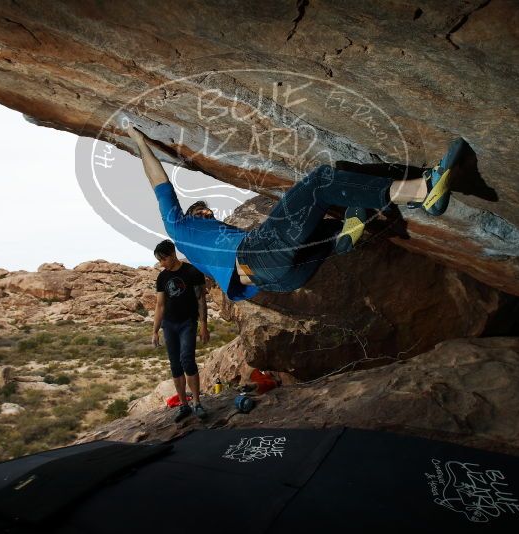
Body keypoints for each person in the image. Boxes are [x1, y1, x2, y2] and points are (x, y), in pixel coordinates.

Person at [127, 124, 467, 299]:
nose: (206, 213)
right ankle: (422, 191)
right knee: (320, 182)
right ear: (188, 213)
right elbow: (160, 183)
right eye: (200, 210)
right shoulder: (179, 227)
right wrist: (139, 142)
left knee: (329, 203)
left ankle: (341, 236)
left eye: (207, 211)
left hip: (280, 279)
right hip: (260, 258)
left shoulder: (219, 235)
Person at [152, 239, 210, 422]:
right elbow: (160, 305)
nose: (161, 264)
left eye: (163, 259)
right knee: (175, 364)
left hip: (188, 322)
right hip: (169, 324)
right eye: (159, 260)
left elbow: (201, 301)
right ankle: (184, 405)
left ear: (172, 255)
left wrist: (204, 326)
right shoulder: (162, 277)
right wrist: (155, 330)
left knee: (187, 360)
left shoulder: (192, 272)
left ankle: (197, 403)